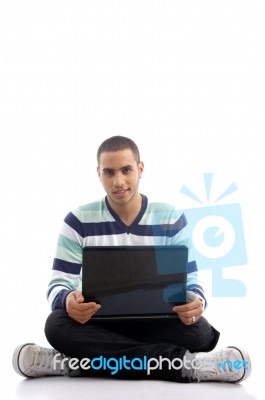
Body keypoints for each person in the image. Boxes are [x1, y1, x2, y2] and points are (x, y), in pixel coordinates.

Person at [12, 136, 251, 383]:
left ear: (140, 169)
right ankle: (187, 366)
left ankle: (75, 362)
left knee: (199, 332)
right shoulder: (78, 221)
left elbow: (189, 280)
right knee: (56, 324)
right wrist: (67, 300)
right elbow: (58, 285)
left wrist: (196, 301)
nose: (118, 181)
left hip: (155, 323)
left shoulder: (169, 217)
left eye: (126, 170)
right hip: (99, 324)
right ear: (98, 173)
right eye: (109, 172)